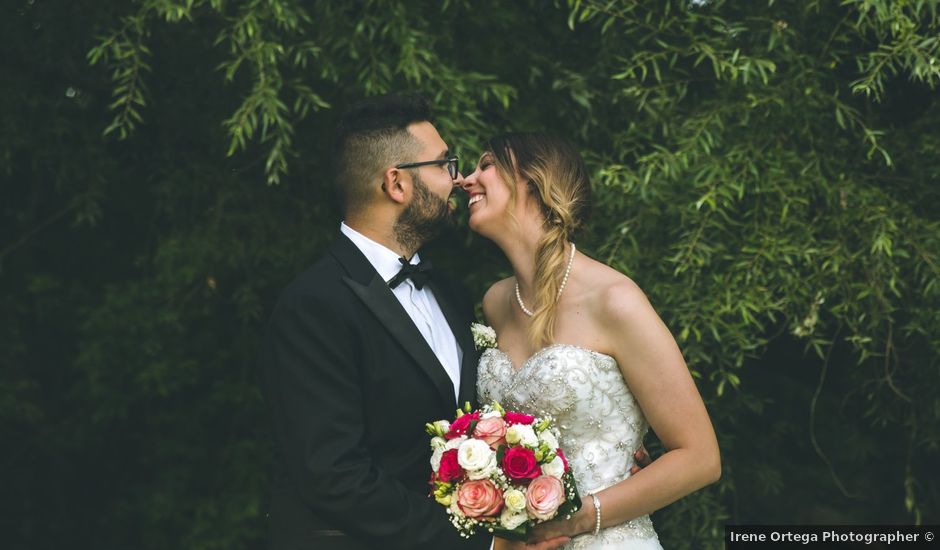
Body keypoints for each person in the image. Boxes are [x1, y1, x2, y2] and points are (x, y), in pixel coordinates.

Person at [260, 95, 568, 550]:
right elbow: (335, 476)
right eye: (444, 164)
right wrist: (483, 546)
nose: (458, 179)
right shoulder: (314, 305)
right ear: (397, 184)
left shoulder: (452, 294)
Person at [463, 133, 721, 549]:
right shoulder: (495, 302)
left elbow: (700, 457)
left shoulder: (615, 301)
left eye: (487, 165)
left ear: (534, 181)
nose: (467, 179)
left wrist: (582, 517)